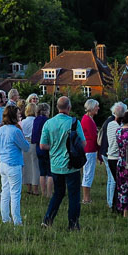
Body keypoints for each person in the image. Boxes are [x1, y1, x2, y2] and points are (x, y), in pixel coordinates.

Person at [40, 96, 85, 229]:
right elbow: (83, 143)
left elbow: (42, 145)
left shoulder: (48, 123)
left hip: (55, 165)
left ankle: (47, 219)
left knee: (58, 193)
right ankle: (73, 223)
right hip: (71, 164)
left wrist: (53, 147)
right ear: (69, 108)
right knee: (74, 195)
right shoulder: (74, 122)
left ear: (58, 107)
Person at [0, 105, 31, 225]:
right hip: (14, 165)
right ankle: (17, 221)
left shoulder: (1, 129)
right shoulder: (16, 131)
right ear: (13, 116)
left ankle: (5, 218)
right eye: (18, 114)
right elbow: (26, 147)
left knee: (5, 192)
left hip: (3, 164)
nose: (20, 115)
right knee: (15, 194)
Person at [101, 102, 126, 211]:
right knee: (116, 181)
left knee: (113, 180)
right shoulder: (119, 127)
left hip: (109, 154)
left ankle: (112, 203)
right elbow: (120, 143)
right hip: (116, 156)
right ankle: (114, 204)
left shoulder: (110, 123)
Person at [80, 99, 100, 205]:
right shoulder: (87, 120)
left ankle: (86, 197)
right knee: (88, 173)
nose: (98, 108)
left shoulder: (88, 119)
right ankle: (86, 198)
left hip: (90, 149)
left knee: (88, 172)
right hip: (89, 149)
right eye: (97, 106)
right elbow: (93, 136)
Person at [31, 103, 53, 197]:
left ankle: (43, 192)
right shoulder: (47, 121)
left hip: (37, 146)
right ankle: (49, 193)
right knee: (50, 172)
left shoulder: (36, 120)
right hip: (46, 146)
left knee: (42, 172)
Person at [20, 103, 40, 196]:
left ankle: (29, 188)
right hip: (34, 144)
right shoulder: (36, 121)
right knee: (35, 166)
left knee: (27, 167)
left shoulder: (23, 122)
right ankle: (35, 188)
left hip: (25, 145)